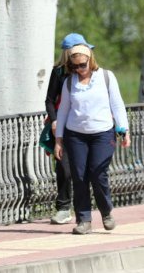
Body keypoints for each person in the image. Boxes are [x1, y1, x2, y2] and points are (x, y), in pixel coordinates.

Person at [54, 43, 130, 234]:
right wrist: (58, 140)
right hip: (76, 135)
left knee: (97, 173)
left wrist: (124, 130)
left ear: (91, 61)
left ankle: (106, 212)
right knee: (79, 176)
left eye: (82, 65)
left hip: (103, 133)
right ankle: (84, 219)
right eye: (74, 67)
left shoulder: (106, 77)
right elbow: (62, 111)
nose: (79, 70)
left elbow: (117, 105)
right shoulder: (69, 82)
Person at [45, 33, 95, 225]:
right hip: (64, 126)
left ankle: (84, 207)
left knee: (86, 169)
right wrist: (55, 120)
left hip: (86, 126)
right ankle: (63, 207)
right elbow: (49, 100)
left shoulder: (91, 71)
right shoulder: (58, 72)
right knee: (64, 168)